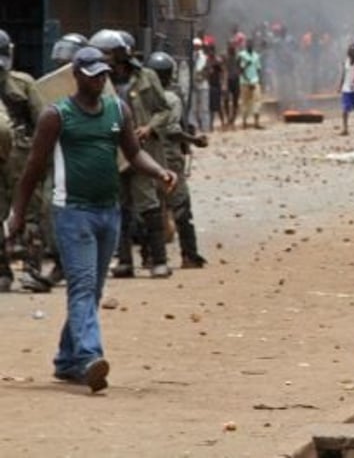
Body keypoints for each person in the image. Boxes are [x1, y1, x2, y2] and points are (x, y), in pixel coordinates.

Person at [7, 47, 176, 393]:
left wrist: (160, 172)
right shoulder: (57, 116)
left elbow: (133, 153)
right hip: (73, 213)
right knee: (82, 286)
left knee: (93, 290)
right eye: (92, 74)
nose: (99, 80)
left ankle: (66, 359)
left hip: (108, 211)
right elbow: (33, 169)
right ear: (77, 76)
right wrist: (18, 214)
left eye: (103, 74)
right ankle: (89, 358)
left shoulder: (117, 109)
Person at [89, 30, 173, 279]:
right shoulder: (100, 82)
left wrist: (149, 127)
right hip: (113, 152)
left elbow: (164, 110)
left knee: (148, 203)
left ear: (119, 54)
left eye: (106, 55)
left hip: (140, 151)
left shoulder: (146, 77)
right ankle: (124, 261)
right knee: (119, 207)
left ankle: (159, 260)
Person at [0, 29, 52, 292]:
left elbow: (42, 120)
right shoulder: (22, 82)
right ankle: (28, 271)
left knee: (15, 211)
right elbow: (42, 120)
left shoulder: (23, 83)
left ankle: (8, 273)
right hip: (21, 153)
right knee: (30, 211)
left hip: (15, 155)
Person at [146, 52, 209, 269]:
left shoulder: (142, 96)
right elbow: (173, 131)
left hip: (147, 157)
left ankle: (150, 256)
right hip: (169, 158)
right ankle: (189, 255)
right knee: (181, 206)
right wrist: (194, 140)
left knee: (151, 207)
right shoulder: (171, 99)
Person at [236, 40, 263, 130]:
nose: (249, 45)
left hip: (255, 81)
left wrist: (259, 80)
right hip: (245, 82)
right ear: (246, 45)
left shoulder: (256, 56)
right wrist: (248, 81)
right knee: (245, 102)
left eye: (251, 44)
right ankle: (244, 122)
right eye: (248, 44)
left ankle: (256, 122)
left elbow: (258, 69)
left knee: (257, 101)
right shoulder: (241, 55)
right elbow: (240, 70)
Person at [339, 43, 354, 136]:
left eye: (353, 52)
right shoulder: (345, 62)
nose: (351, 53)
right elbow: (343, 74)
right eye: (350, 52)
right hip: (346, 89)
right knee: (345, 109)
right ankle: (345, 129)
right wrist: (340, 85)